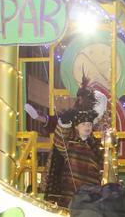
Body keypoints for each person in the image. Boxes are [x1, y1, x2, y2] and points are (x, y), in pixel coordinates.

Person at [29, 78, 106, 207]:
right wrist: (62, 122)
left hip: (91, 196)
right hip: (70, 194)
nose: (87, 127)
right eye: (83, 124)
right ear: (76, 126)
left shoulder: (95, 145)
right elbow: (60, 138)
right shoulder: (70, 143)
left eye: (89, 124)